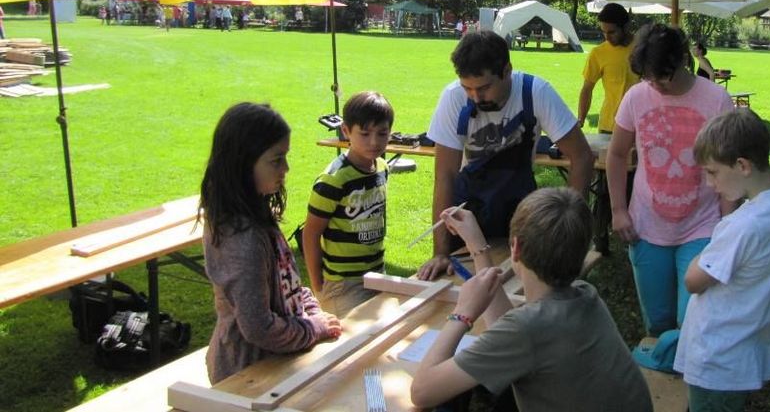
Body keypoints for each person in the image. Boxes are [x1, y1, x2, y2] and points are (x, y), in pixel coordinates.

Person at [410, 187, 653, 411]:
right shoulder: (585, 294)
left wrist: (461, 315)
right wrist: (477, 246)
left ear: (515, 248)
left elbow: (422, 392)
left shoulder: (527, 329)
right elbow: (505, 329)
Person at [606, 23, 736, 363]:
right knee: (659, 324)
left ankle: (690, 388)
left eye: (663, 77)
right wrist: (619, 209)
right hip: (646, 228)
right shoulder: (636, 96)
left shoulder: (716, 99)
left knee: (693, 322)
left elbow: (728, 169)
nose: (657, 86)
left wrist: (727, 227)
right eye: (650, 78)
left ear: (682, 59)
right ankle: (664, 382)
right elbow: (617, 154)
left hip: (702, 226)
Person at [418, 30, 594, 281]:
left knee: (526, 281)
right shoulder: (453, 98)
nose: (476, 98)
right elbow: (445, 175)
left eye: (484, 88)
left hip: (518, 204)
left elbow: (582, 157)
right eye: (467, 88)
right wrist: (441, 252)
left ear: (507, 71)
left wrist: (569, 228)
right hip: (469, 207)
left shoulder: (536, 92)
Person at [198, 102, 342, 384]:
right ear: (242, 163)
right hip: (249, 376)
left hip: (278, 363)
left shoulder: (256, 213)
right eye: (277, 160)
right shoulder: (243, 238)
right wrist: (312, 328)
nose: (286, 168)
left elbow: (285, 279)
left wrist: (311, 310)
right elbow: (259, 327)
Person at [673, 108, 770, 411]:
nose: (709, 183)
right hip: (739, 354)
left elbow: (693, 280)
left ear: (742, 165)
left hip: (719, 361)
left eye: (712, 172)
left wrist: (706, 249)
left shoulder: (744, 225)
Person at [302, 91, 393, 318]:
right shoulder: (333, 180)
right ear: (345, 131)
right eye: (364, 133)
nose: (374, 142)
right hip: (344, 284)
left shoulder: (382, 167)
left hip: (377, 272)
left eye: (382, 133)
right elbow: (311, 233)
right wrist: (319, 287)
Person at [577, 2, 639, 133]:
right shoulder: (598, 53)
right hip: (609, 126)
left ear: (626, 26)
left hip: (640, 124)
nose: (607, 37)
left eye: (612, 32)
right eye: (604, 32)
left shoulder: (642, 48)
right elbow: (587, 89)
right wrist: (581, 120)